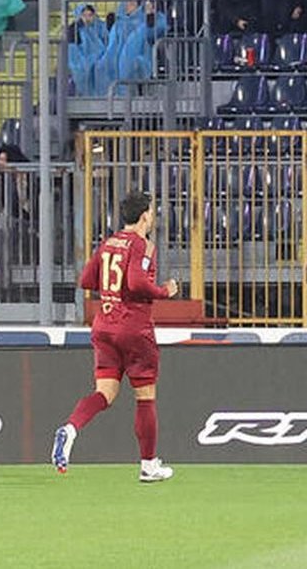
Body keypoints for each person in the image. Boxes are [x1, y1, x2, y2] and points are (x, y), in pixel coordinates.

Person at [53, 191, 180, 482]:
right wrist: (164, 291)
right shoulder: (142, 245)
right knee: (145, 397)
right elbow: (136, 282)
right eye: (152, 211)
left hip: (104, 328)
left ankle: (70, 429)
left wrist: (112, 290)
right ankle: (148, 465)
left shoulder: (109, 243)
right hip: (134, 329)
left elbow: (86, 280)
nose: (153, 216)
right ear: (145, 215)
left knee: (104, 394)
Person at [67, 4, 109, 96]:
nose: (87, 18)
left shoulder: (99, 27)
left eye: (90, 15)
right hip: (83, 63)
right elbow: (74, 55)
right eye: (84, 15)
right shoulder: (74, 30)